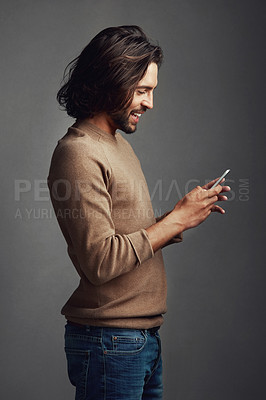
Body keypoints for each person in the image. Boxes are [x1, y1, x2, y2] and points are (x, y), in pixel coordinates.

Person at [48, 25, 230, 400]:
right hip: (109, 342)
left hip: (139, 339)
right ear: (110, 81)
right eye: (143, 90)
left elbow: (127, 233)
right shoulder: (79, 153)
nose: (150, 103)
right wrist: (176, 219)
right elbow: (100, 261)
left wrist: (184, 214)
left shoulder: (117, 146)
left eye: (152, 91)